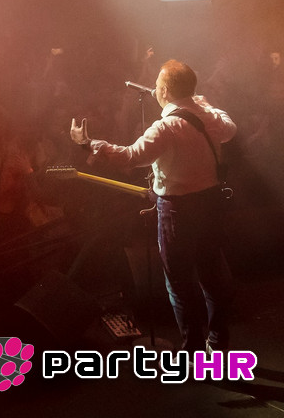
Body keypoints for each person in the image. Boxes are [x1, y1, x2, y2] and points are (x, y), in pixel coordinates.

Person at [70, 59, 237, 353]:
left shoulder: (166, 127)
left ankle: (193, 351)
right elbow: (230, 128)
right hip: (210, 205)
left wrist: (88, 143)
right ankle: (217, 343)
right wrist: (205, 104)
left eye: (158, 84)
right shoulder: (210, 117)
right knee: (212, 278)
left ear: (165, 91)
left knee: (180, 284)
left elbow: (130, 157)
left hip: (177, 212)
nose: (155, 89)